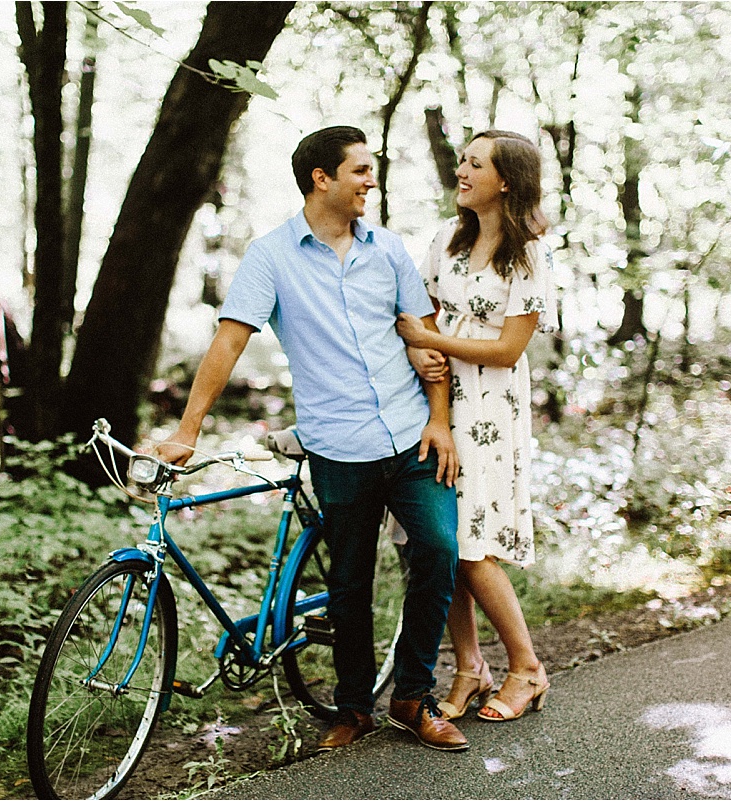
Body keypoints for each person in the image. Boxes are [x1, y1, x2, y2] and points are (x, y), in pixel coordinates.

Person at [157, 126, 468, 752]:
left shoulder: (389, 250)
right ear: (321, 178)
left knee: (437, 550)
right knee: (350, 583)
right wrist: (187, 430)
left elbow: (426, 338)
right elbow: (230, 339)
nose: (371, 181)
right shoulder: (271, 256)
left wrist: (439, 419)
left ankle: (413, 694)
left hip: (411, 435)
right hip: (339, 446)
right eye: (359, 171)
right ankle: (353, 708)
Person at [395, 129, 557, 723]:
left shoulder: (529, 256)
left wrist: (427, 339)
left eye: (475, 164)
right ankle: (469, 668)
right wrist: (421, 353)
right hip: (436, 399)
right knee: (439, 542)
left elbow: (509, 349)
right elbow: (421, 313)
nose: (461, 170)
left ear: (506, 181)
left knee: (471, 547)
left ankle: (527, 668)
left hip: (489, 411)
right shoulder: (447, 240)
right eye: (462, 160)